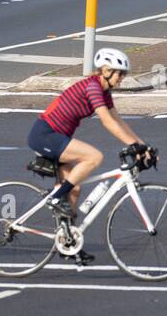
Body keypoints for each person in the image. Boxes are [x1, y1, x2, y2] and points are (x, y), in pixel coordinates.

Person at [26, 47, 154, 221]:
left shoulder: (104, 91)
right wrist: (134, 146)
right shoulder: (92, 87)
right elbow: (107, 121)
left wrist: (143, 145)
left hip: (58, 137)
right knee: (94, 157)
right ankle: (55, 198)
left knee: (74, 189)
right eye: (120, 74)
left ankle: (66, 244)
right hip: (45, 134)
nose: (122, 79)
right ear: (107, 71)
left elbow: (118, 121)